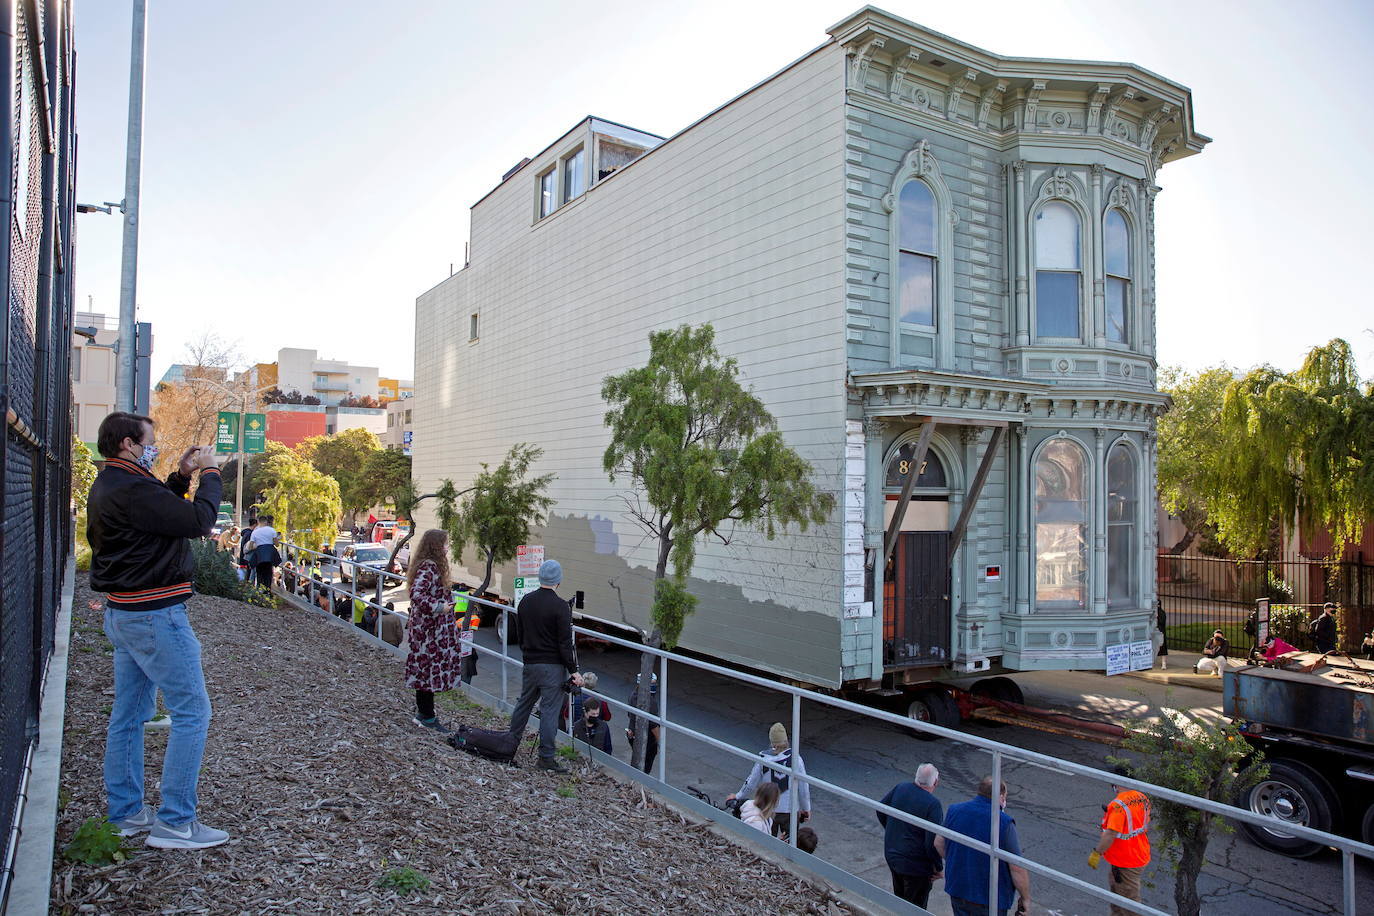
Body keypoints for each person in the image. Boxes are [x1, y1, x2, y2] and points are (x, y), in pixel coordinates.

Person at [87, 411, 229, 850]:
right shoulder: (130, 487)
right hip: (155, 615)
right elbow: (197, 522)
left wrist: (181, 476)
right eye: (150, 441)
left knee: (129, 714)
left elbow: (156, 515)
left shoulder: (114, 481)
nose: (155, 447)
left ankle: (126, 813)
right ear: (129, 444)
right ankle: (175, 822)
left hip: (124, 613)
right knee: (193, 712)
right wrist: (209, 474)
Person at [507, 559, 581, 772]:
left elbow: (521, 633)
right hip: (553, 668)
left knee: (524, 704)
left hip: (530, 663)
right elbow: (565, 643)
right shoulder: (561, 607)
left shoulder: (525, 601)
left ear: (540, 577)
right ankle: (546, 757)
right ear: (558, 580)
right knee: (549, 712)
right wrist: (574, 671)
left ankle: (509, 744)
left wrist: (528, 654)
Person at [936, 777, 1031, 916]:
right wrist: (1025, 898)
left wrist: (960, 861)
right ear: (1001, 796)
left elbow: (938, 843)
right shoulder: (1004, 822)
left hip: (958, 890)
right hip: (988, 898)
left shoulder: (955, 810)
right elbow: (1016, 867)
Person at [403, 530, 464, 732]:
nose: (448, 547)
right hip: (429, 633)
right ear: (437, 546)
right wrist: (441, 607)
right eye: (446, 544)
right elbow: (417, 594)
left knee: (424, 671)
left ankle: (425, 714)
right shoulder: (429, 567)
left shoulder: (427, 566)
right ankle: (426, 716)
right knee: (427, 671)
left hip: (427, 632)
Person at [726, 723, 812, 839]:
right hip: (790, 810)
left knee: (767, 841)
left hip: (768, 809)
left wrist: (738, 796)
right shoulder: (796, 759)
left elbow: (751, 782)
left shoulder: (763, 760)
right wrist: (806, 808)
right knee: (790, 843)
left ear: (772, 742)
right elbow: (803, 788)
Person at [877, 763, 944, 909]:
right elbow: (931, 842)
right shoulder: (933, 805)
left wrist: (892, 833)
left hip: (894, 856)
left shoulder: (901, 788)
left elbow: (880, 809)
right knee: (916, 907)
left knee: (900, 900)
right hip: (916, 866)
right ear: (936, 782)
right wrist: (938, 868)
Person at [1088, 769, 1151, 916]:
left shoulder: (1118, 806)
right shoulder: (1142, 797)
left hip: (1126, 861)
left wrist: (1096, 853)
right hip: (1137, 853)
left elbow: (1110, 834)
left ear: (1116, 784)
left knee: (1129, 903)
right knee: (1117, 894)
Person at [626, 673, 660, 774]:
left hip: (632, 734)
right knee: (646, 764)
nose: (654, 686)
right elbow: (653, 725)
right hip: (647, 738)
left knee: (637, 759)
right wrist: (659, 741)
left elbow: (629, 714)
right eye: (652, 684)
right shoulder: (650, 701)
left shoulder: (633, 695)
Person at [247, 514, 280, 588]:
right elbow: (277, 544)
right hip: (269, 554)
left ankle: (260, 588)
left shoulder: (255, 532)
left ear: (258, 522)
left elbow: (250, 546)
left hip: (259, 554)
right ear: (266, 522)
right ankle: (268, 589)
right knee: (268, 573)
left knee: (259, 573)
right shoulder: (272, 530)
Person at [1154, 600, 1169, 669]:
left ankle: (1164, 663)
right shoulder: (1153, 612)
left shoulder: (1161, 613)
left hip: (1160, 632)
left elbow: (1162, 622)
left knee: (1162, 647)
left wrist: (1157, 616)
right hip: (1154, 632)